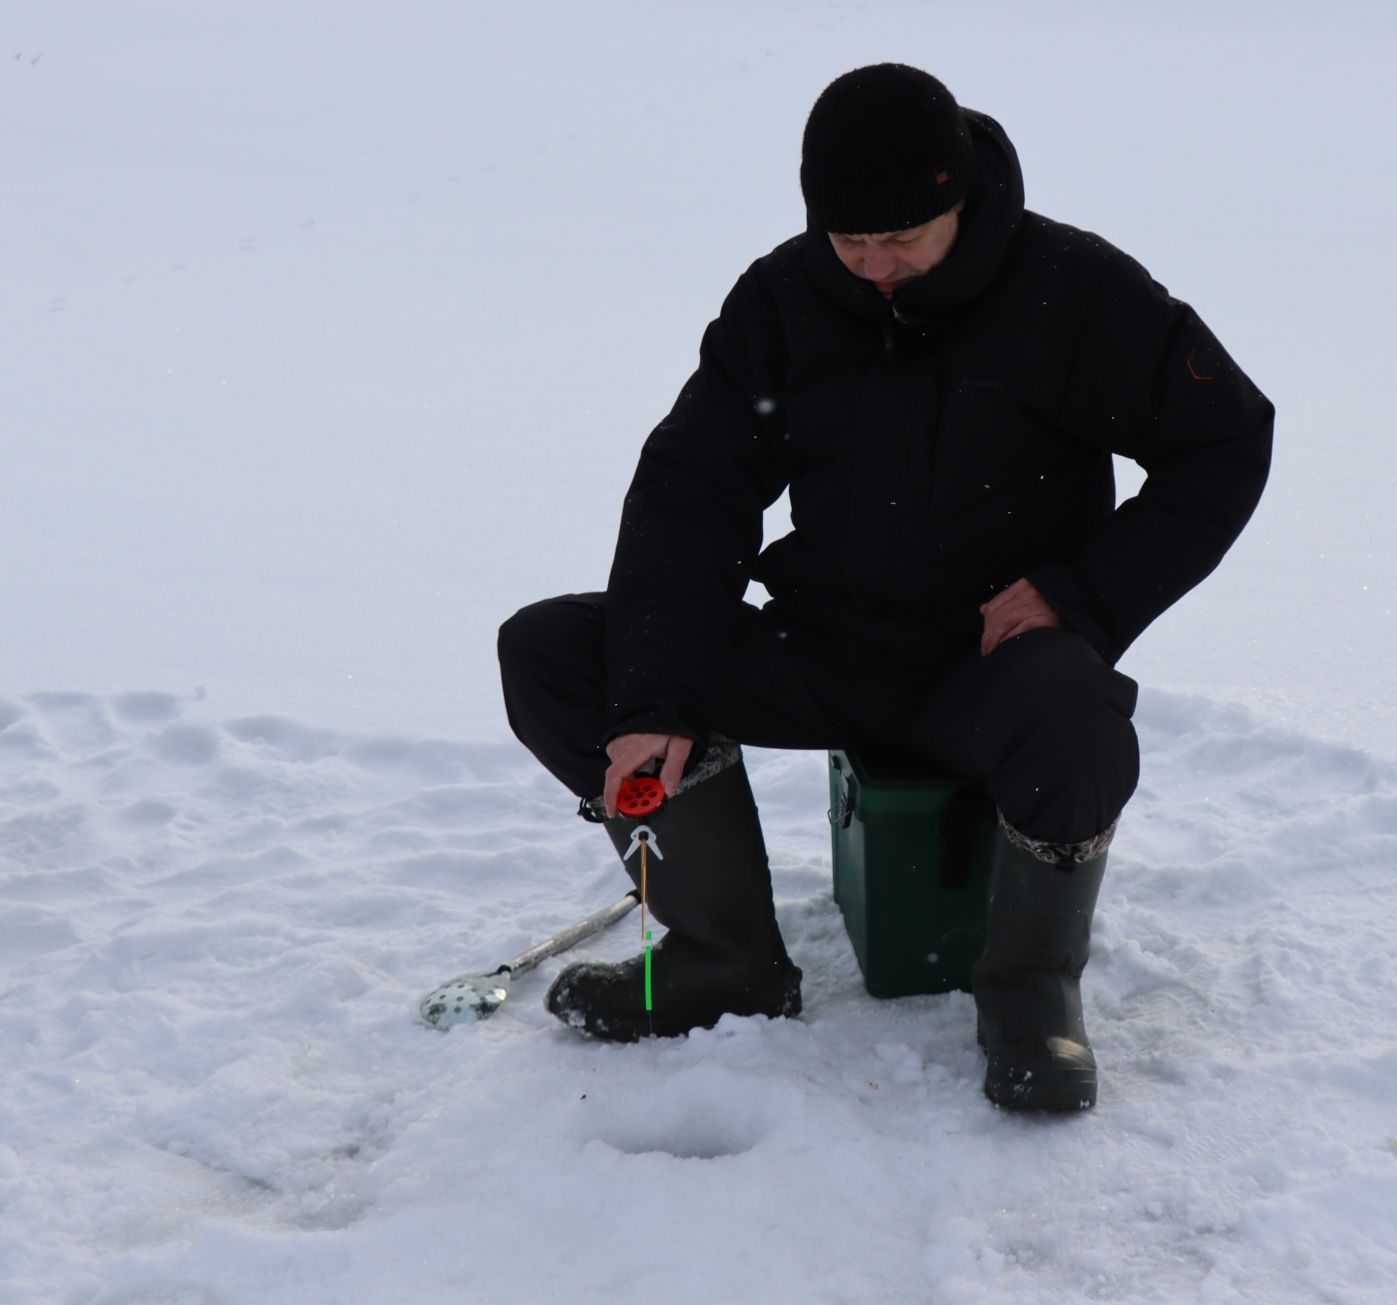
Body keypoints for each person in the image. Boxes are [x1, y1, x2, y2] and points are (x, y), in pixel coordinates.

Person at [497, 63, 1272, 1112]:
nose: (875, 268)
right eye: (850, 243)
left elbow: (1224, 441)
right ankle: (725, 961)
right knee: (560, 653)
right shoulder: (785, 300)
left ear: (963, 200)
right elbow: (693, 495)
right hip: (831, 648)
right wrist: (653, 703)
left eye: (901, 239)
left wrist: (1082, 594)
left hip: (990, 664)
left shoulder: (1074, 292)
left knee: (1081, 712)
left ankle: (1032, 996)